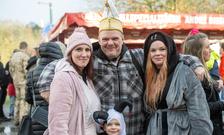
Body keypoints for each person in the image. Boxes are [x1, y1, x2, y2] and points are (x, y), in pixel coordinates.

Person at [38, 1, 205, 134]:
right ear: (99, 39)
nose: (110, 43)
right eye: (105, 39)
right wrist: (46, 86)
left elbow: (173, 56)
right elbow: (58, 64)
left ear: (122, 38)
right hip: (105, 132)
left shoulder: (138, 56)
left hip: (137, 130)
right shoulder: (90, 58)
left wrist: (196, 65)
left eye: (115, 38)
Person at [144, 31, 213, 135]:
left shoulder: (184, 71)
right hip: (155, 130)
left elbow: (199, 111)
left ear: (169, 50)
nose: (158, 53)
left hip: (181, 130)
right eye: (153, 50)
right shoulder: (149, 74)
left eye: (162, 49)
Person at [44, 27, 100, 135]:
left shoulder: (86, 78)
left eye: (87, 49)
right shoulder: (63, 78)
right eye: (78, 49)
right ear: (70, 52)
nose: (84, 54)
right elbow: (57, 125)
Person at [184, 31, 224, 135]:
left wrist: (218, 81)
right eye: (207, 47)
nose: (210, 50)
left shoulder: (201, 69)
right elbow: (201, 108)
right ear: (197, 51)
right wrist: (223, 105)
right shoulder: (195, 74)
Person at [9, 41, 30, 125]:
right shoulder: (24, 56)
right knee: (23, 101)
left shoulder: (13, 56)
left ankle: (16, 119)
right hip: (23, 82)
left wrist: (14, 78)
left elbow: (11, 70)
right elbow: (26, 70)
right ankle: (22, 121)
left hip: (15, 81)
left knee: (17, 100)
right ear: (25, 47)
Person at [0, 55, 10, 121]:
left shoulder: (0, 64)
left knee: (1, 102)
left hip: (3, 86)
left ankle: (2, 116)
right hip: (1, 86)